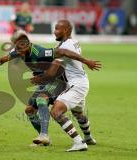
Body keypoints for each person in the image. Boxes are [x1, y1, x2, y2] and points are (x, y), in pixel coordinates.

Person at [31, 20, 101, 152]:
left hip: (76, 85)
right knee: (78, 113)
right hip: (81, 82)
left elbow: (53, 70)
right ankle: (88, 137)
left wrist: (40, 78)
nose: (54, 31)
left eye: (57, 29)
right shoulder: (72, 42)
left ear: (66, 30)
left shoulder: (66, 46)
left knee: (56, 111)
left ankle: (79, 142)